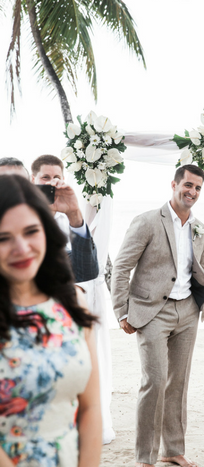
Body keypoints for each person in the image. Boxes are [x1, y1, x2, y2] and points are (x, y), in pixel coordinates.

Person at [112, 165, 204, 467]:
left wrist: (201, 303)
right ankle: (145, 456)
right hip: (151, 312)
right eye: (188, 185)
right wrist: (122, 311)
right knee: (153, 382)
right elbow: (120, 267)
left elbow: (203, 267)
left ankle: (173, 450)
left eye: (197, 188)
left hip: (188, 312)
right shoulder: (146, 222)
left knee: (178, 383)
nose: (192, 192)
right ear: (174, 184)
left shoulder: (202, 229)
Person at [0, 174, 102, 466]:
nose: (21, 248)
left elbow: (91, 408)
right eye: (3, 238)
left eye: (31, 231)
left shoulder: (72, 301)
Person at [29, 154, 116, 444]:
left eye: (56, 177)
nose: (51, 183)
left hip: (58, 328)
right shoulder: (15, 214)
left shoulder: (68, 220)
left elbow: (86, 271)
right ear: (33, 180)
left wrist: (76, 216)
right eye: (45, 177)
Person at [0, 157, 98, 284]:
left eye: (20, 185)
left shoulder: (37, 232)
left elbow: (84, 272)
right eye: (4, 184)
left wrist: (74, 214)